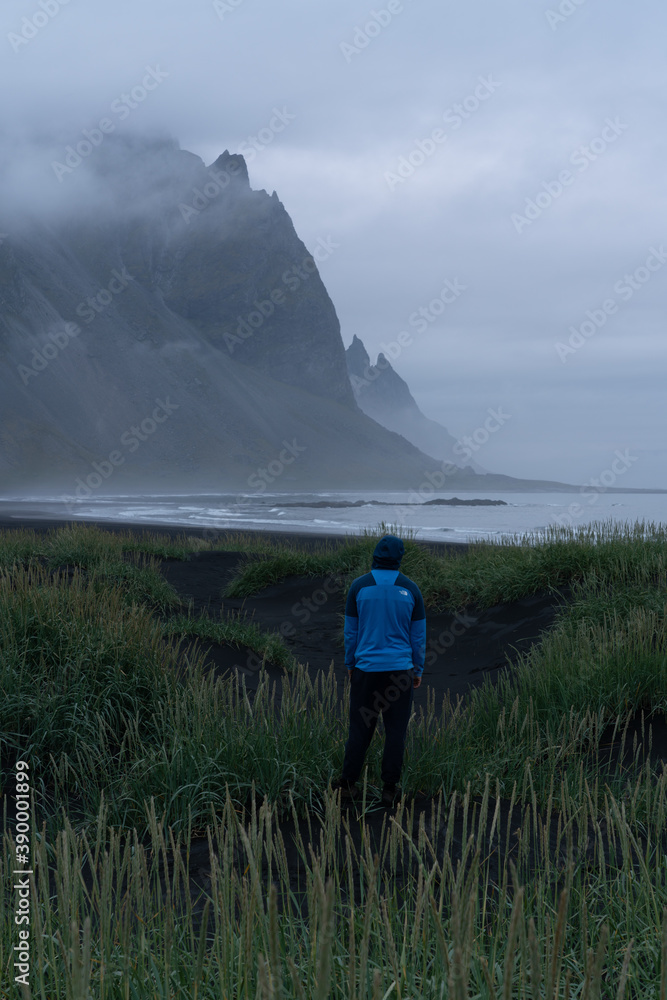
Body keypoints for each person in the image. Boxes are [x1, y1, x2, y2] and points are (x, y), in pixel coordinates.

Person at [332, 534, 425, 806]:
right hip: (401, 671)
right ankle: (389, 789)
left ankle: (347, 785)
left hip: (366, 670)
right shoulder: (411, 589)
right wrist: (417, 669)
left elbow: (351, 632)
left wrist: (351, 665)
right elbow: (418, 637)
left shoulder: (358, 587)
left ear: (374, 555)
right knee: (396, 731)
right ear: (399, 557)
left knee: (360, 728)